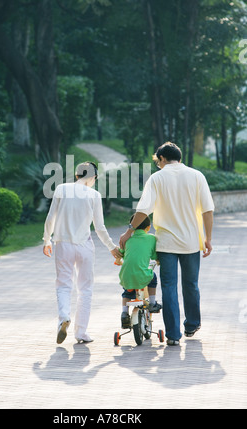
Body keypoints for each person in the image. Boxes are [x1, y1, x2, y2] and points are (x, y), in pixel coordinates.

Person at [119, 142, 214, 346]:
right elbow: (208, 210)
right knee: (191, 285)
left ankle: (173, 335)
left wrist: (129, 231)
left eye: (158, 162)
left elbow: (143, 210)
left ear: (162, 159)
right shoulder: (197, 176)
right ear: (179, 157)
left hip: (166, 243)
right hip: (190, 242)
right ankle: (192, 324)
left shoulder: (157, 178)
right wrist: (208, 238)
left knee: (169, 287)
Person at [43, 161, 121, 345]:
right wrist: (111, 247)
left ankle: (63, 317)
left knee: (63, 284)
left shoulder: (61, 189)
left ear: (77, 175)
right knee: (85, 289)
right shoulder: (94, 195)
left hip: (63, 244)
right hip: (85, 246)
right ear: (93, 177)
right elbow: (100, 227)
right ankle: (81, 333)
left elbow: (50, 218)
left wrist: (47, 239)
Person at [117, 214, 162, 329]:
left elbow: (121, 253)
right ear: (148, 227)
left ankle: (124, 313)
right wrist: (158, 260)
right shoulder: (151, 238)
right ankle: (152, 303)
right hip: (142, 275)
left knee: (127, 292)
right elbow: (154, 255)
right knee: (153, 277)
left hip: (125, 275)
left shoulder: (126, 239)